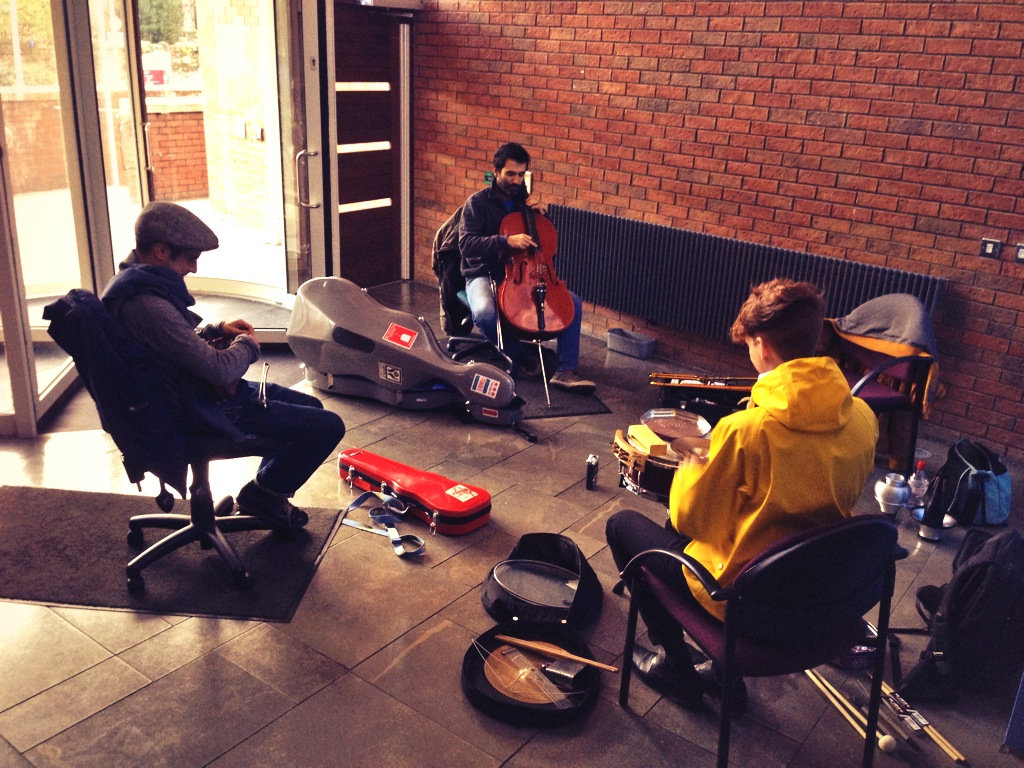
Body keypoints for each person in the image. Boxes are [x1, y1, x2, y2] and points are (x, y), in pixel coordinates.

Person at [606, 279, 878, 710]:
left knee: (624, 526)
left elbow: (691, 520)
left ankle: (677, 668)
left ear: (762, 345)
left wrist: (694, 465)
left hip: (744, 601)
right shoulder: (862, 416)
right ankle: (718, 674)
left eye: (749, 344)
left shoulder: (745, 431)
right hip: (818, 589)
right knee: (686, 529)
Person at [102, 201, 345, 529]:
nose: (193, 268)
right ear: (161, 251)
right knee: (328, 427)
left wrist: (216, 330)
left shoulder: (131, 283)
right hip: (197, 411)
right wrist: (246, 345)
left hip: (183, 396)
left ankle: (266, 494)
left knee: (311, 408)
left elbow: (170, 343)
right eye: (190, 258)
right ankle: (264, 494)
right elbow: (219, 370)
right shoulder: (148, 304)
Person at [459, 142, 595, 392]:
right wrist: (506, 241)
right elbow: (466, 245)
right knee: (485, 312)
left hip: (525, 273)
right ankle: (519, 356)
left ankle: (565, 371)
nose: (516, 181)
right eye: (510, 174)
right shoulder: (477, 203)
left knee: (572, 303)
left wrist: (542, 217)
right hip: (484, 272)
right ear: (496, 171)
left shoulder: (526, 203)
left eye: (521, 175)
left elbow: (546, 244)